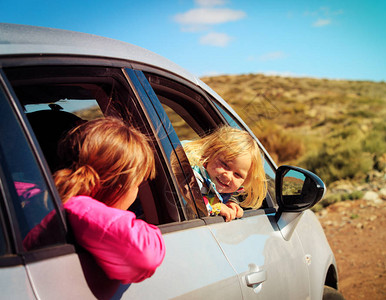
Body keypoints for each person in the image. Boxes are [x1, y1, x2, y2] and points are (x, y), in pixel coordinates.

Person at [53, 117, 165, 284]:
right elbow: (145, 255)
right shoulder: (76, 208)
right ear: (120, 187)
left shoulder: (36, 195)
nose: (136, 193)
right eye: (137, 185)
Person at [183, 126, 267, 222]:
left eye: (238, 175)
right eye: (224, 164)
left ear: (245, 181)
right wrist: (215, 206)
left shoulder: (226, 188)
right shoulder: (193, 176)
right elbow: (188, 196)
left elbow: (220, 193)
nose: (228, 176)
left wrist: (230, 202)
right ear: (209, 154)